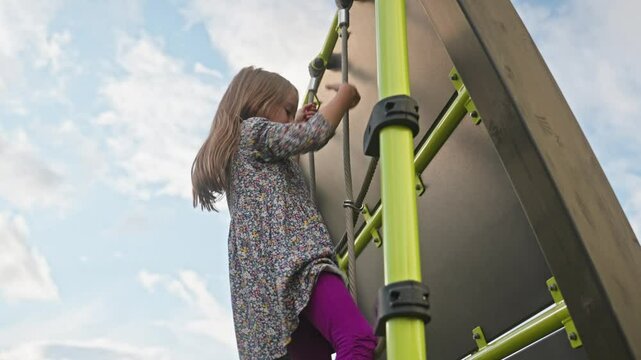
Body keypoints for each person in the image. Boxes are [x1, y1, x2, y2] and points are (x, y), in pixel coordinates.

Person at [191, 66, 377, 360]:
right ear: (258, 101)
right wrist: (344, 97)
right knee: (357, 340)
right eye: (287, 110)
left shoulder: (240, 161)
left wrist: (295, 120)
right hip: (298, 265)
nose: (291, 120)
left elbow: (289, 138)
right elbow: (312, 135)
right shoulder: (252, 132)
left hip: (268, 299)